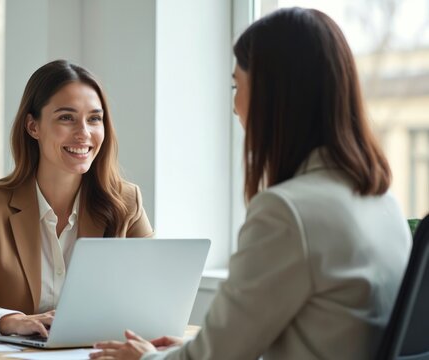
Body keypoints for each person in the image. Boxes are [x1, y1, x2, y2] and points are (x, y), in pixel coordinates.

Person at [91, 7, 412, 360]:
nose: (234, 107)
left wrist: (146, 359)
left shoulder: (287, 212)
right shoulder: (382, 203)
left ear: (272, 96)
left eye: (236, 86)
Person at [0, 60, 154, 337]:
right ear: (33, 126)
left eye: (94, 118)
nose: (84, 132)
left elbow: (153, 297)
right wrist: (10, 321)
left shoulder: (125, 202)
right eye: (66, 117)